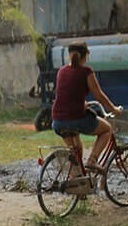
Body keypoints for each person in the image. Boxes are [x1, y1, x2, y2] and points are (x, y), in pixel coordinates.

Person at [50, 42, 123, 174]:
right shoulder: (86, 72)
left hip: (58, 121)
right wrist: (114, 109)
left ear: (69, 56)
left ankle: (77, 183)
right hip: (76, 118)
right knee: (107, 130)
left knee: (75, 152)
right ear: (86, 56)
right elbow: (99, 95)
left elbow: (66, 94)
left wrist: (82, 104)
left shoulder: (62, 71)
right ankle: (92, 161)